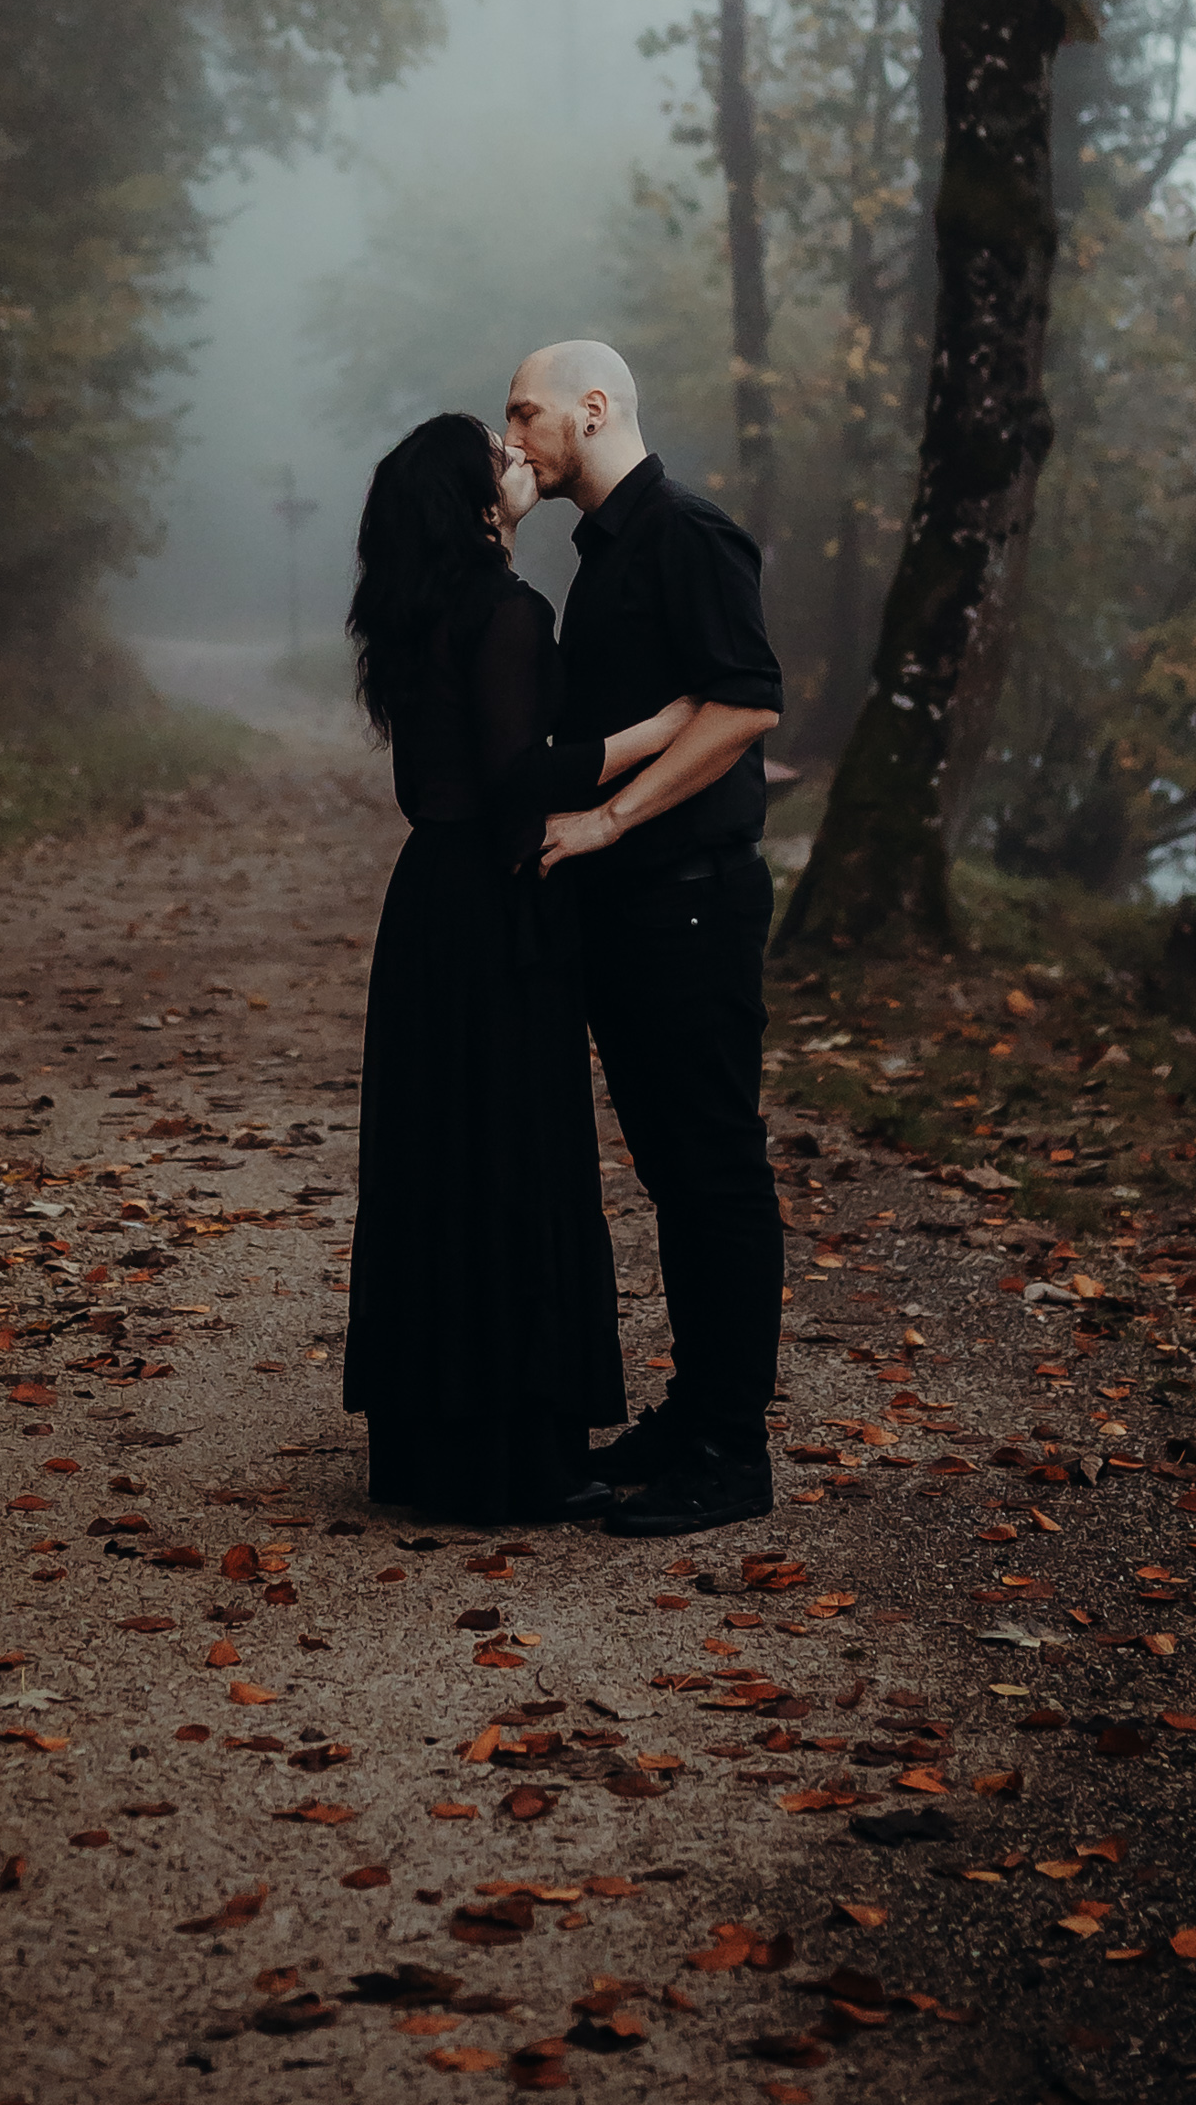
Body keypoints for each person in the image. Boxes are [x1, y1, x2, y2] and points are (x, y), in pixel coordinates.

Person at [339, 408, 697, 1524]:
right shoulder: (503, 609)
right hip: (496, 903)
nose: (515, 455)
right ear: (472, 498)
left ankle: (431, 1445)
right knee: (508, 1162)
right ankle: (518, 1455)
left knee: (436, 1165)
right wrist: (661, 726)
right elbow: (519, 773)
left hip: (429, 907)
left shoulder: (411, 614)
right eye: (493, 454)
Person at [505, 338, 785, 1539]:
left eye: (525, 413)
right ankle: (695, 1410)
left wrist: (610, 817)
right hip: (634, 906)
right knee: (674, 1172)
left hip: (689, 894)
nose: (511, 435)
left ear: (594, 405)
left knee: (712, 1167)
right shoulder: (603, 554)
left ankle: (731, 1452)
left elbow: (746, 700)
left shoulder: (684, 530)